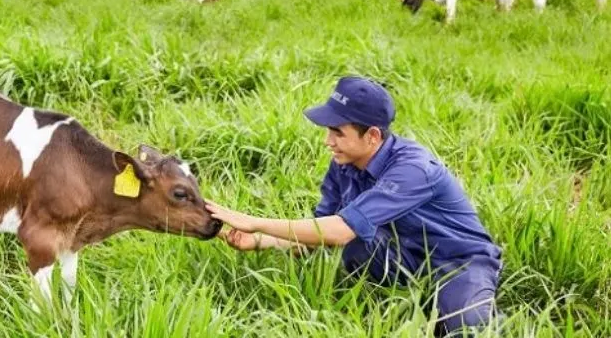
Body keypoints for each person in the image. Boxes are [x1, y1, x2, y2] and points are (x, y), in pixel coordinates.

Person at [205, 75, 503, 336]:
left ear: (372, 136)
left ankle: (457, 311)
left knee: (468, 329)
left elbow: (338, 230)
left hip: (457, 262)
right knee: (356, 244)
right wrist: (258, 241)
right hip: (401, 258)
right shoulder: (344, 163)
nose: (327, 141)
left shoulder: (413, 168)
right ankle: (392, 309)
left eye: (338, 132)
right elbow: (320, 238)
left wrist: (253, 221)